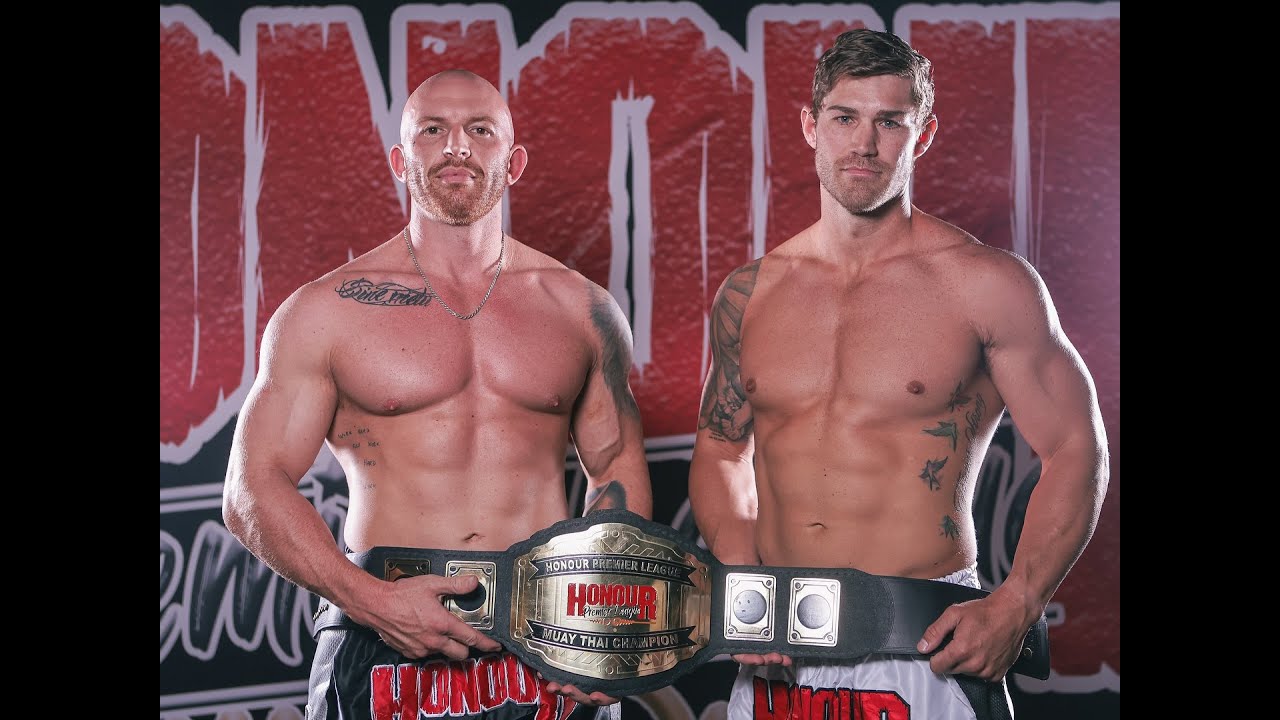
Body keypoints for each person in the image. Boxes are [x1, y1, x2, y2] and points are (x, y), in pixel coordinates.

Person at [687, 29, 1109, 720]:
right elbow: (721, 447)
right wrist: (744, 580)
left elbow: (1076, 447)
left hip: (924, 647)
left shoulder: (985, 284)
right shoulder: (751, 293)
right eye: (844, 118)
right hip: (778, 651)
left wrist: (1020, 600)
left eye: (890, 121)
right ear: (810, 126)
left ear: (924, 134)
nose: (864, 144)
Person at [222, 69, 652, 720]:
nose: (456, 146)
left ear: (514, 163)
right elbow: (252, 487)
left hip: (549, 636)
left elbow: (617, 466)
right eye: (432, 130)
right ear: (400, 161)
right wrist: (370, 602)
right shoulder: (324, 312)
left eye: (480, 130)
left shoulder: (581, 310)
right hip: (384, 634)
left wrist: (599, 609)